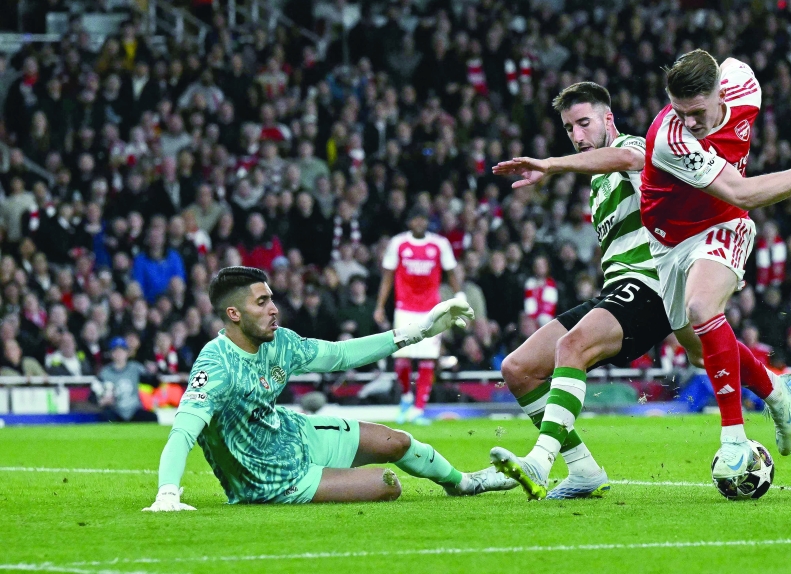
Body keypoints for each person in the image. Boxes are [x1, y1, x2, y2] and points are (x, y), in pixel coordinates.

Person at [638, 49, 791, 488]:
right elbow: (742, 189)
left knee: (703, 308)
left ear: (720, 91)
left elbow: (737, 201)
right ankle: (777, 391)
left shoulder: (744, 84)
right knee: (699, 351)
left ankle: (734, 440)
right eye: (680, 111)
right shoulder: (671, 138)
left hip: (723, 223)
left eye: (697, 111)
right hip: (668, 242)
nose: (689, 121)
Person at [143, 267, 512, 511]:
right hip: (270, 478)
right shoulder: (216, 365)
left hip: (291, 432)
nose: (274, 309)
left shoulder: (280, 341)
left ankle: (465, 483)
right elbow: (183, 431)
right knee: (388, 485)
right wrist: (167, 493)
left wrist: (419, 332)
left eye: (271, 298)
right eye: (261, 302)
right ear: (233, 314)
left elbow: (339, 355)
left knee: (396, 442)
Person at [487, 82, 677, 499]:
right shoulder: (597, 184)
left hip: (651, 288)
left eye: (584, 123)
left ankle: (539, 460)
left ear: (608, 119)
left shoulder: (634, 147)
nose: (577, 136)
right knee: (517, 369)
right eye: (570, 128)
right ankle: (584, 470)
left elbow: (627, 157)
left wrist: (553, 165)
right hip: (617, 291)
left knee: (571, 347)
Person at [374, 208, 463, 424]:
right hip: (404, 308)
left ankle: (419, 409)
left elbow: (451, 272)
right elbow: (387, 276)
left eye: (423, 219)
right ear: (410, 222)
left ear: (427, 222)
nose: (419, 223)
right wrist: (379, 306)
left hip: (431, 309)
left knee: (427, 358)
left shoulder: (439, 244)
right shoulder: (398, 243)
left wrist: (459, 295)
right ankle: (406, 397)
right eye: (416, 218)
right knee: (402, 358)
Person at [94, 337, 159, 422]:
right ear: (111, 353)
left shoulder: (135, 368)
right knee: (105, 417)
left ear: (127, 353)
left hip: (134, 409)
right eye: (115, 351)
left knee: (152, 418)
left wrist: (152, 373)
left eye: (122, 351)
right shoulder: (105, 373)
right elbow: (94, 394)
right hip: (115, 410)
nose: (119, 354)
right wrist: (103, 401)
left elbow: (154, 383)